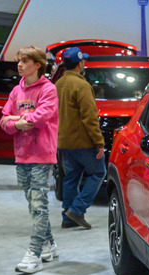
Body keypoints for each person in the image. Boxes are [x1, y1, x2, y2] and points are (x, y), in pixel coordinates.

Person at [0, 46, 59, 274]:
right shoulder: (16, 91)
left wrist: (19, 118)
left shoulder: (49, 89)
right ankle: (49, 243)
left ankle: (33, 254)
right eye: (19, 61)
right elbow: (4, 121)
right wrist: (17, 122)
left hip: (42, 155)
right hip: (22, 154)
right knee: (32, 203)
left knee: (38, 204)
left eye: (24, 61)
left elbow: (41, 118)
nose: (19, 65)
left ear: (37, 64)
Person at [55, 47, 106, 230]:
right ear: (79, 64)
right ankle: (77, 210)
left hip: (63, 142)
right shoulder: (82, 86)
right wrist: (99, 142)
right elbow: (89, 118)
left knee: (71, 178)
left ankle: (67, 218)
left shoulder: (58, 84)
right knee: (98, 173)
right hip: (83, 142)